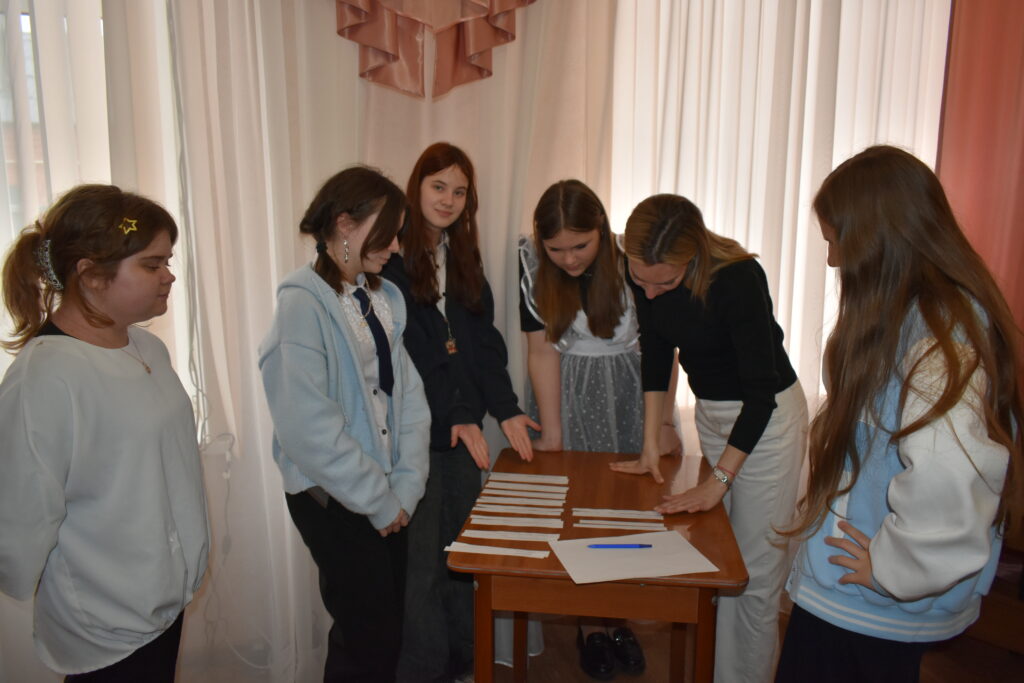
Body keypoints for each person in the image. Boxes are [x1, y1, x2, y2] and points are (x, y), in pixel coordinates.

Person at [775, 146, 1022, 683]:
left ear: (878, 242)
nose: (832, 261)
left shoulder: (942, 338)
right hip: (856, 596)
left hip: (868, 604)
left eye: (835, 242)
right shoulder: (915, 317)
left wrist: (896, 567)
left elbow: (954, 475)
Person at [0, 185, 210, 682]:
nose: (169, 276)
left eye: (167, 261)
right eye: (152, 264)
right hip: (105, 621)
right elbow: (22, 513)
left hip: (163, 600)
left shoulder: (145, 347)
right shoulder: (46, 378)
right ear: (91, 274)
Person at [611, 194, 808, 683]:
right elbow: (656, 348)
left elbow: (760, 395)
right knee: (722, 561)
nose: (649, 293)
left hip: (767, 423)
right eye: (640, 280)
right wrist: (650, 443)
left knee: (754, 575)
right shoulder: (642, 269)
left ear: (693, 257)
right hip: (715, 415)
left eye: (665, 283)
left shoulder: (737, 279)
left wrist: (719, 479)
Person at [258, 166, 430, 683]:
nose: (396, 246)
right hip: (332, 495)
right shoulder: (302, 305)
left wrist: (405, 488)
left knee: (384, 633)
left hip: (384, 492)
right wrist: (379, 500)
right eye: (388, 233)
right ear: (344, 225)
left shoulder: (379, 298)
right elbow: (308, 429)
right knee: (366, 637)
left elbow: (409, 399)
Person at [381, 142, 538, 682]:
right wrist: (454, 415)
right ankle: (423, 672)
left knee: (462, 556)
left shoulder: (463, 257)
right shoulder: (390, 261)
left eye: (460, 191)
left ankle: (464, 665)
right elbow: (414, 354)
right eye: (438, 186)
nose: (448, 199)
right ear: (416, 188)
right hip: (416, 437)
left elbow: (483, 345)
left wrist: (507, 409)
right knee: (420, 568)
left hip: (463, 434)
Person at [519, 179, 681, 679]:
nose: (568, 259)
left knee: (626, 510)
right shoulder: (531, 264)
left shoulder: (632, 259)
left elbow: (661, 349)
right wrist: (553, 432)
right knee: (578, 512)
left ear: (602, 230)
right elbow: (540, 350)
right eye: (557, 249)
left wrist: (663, 423)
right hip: (567, 393)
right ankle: (589, 624)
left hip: (633, 395)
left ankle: (620, 618)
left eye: (580, 246)